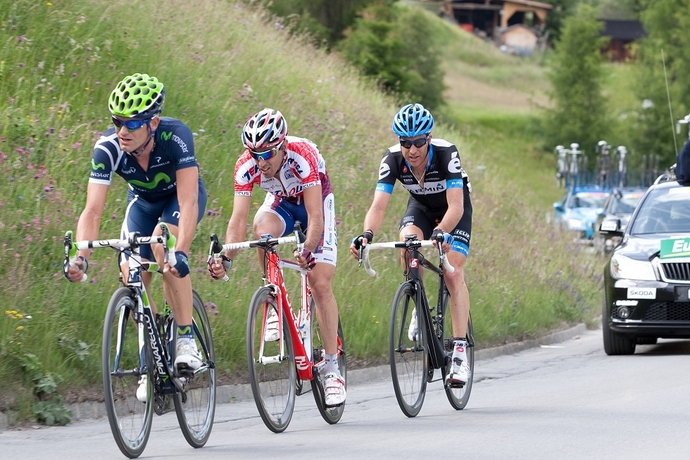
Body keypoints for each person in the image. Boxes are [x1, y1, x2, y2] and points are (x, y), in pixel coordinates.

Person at [65, 73, 207, 401]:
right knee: (131, 274)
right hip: (142, 203)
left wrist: (181, 251)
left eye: (132, 123)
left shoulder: (176, 136)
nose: (122, 131)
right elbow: (92, 211)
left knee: (162, 246)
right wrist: (81, 257)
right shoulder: (108, 148)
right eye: (117, 121)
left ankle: (186, 337)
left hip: (178, 200)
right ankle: (152, 355)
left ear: (153, 122)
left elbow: (188, 201)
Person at [207, 108, 346, 406]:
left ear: (282, 146)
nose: (261, 162)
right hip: (282, 202)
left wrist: (307, 248)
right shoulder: (246, 166)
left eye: (268, 153)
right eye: (255, 154)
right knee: (262, 232)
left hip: (314, 204)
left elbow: (315, 217)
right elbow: (238, 220)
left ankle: (332, 368)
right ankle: (274, 301)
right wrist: (226, 258)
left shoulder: (302, 156)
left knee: (320, 283)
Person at [350, 103, 473, 385]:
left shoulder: (446, 153)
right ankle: (419, 301)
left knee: (453, 272)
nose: (412, 149)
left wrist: (441, 232)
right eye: (406, 143)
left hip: (453, 210)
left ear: (429, 138)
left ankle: (459, 354)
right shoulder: (393, 159)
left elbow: (456, 206)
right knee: (407, 244)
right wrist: (366, 234)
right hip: (421, 207)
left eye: (418, 142)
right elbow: (378, 206)